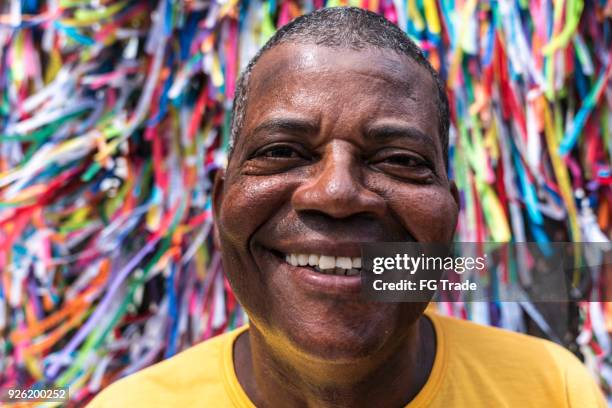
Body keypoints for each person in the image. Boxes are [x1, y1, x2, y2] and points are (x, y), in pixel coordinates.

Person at [89, 7, 606, 407]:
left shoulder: (551, 388)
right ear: (222, 200)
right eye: (281, 152)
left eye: (400, 160)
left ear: (450, 218)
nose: (336, 194)